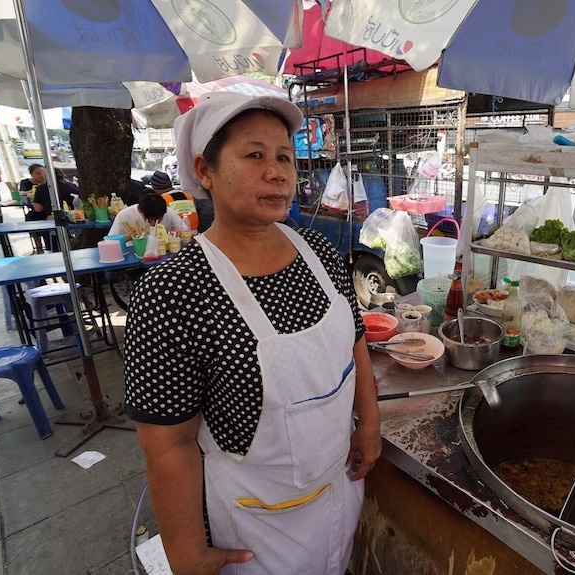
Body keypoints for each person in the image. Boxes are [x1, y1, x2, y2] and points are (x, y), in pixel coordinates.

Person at [124, 92, 380, 575]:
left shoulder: (319, 253)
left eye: (285, 156)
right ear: (205, 171)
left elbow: (354, 338)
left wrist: (368, 422)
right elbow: (167, 443)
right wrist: (186, 553)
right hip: (251, 524)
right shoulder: (171, 291)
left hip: (338, 491)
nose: (278, 171)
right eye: (254, 155)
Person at [110, 191, 181, 241]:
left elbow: (186, 232)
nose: (153, 224)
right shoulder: (124, 215)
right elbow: (110, 241)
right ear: (139, 210)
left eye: (158, 220)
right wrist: (126, 237)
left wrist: (179, 233)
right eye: (149, 220)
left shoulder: (169, 212)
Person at [21, 164, 50, 252]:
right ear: (31, 174)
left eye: (43, 173)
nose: (41, 175)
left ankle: (49, 244)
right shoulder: (26, 182)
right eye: (38, 173)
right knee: (30, 217)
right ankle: (38, 245)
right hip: (35, 208)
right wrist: (31, 192)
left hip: (47, 208)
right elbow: (22, 193)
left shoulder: (48, 182)